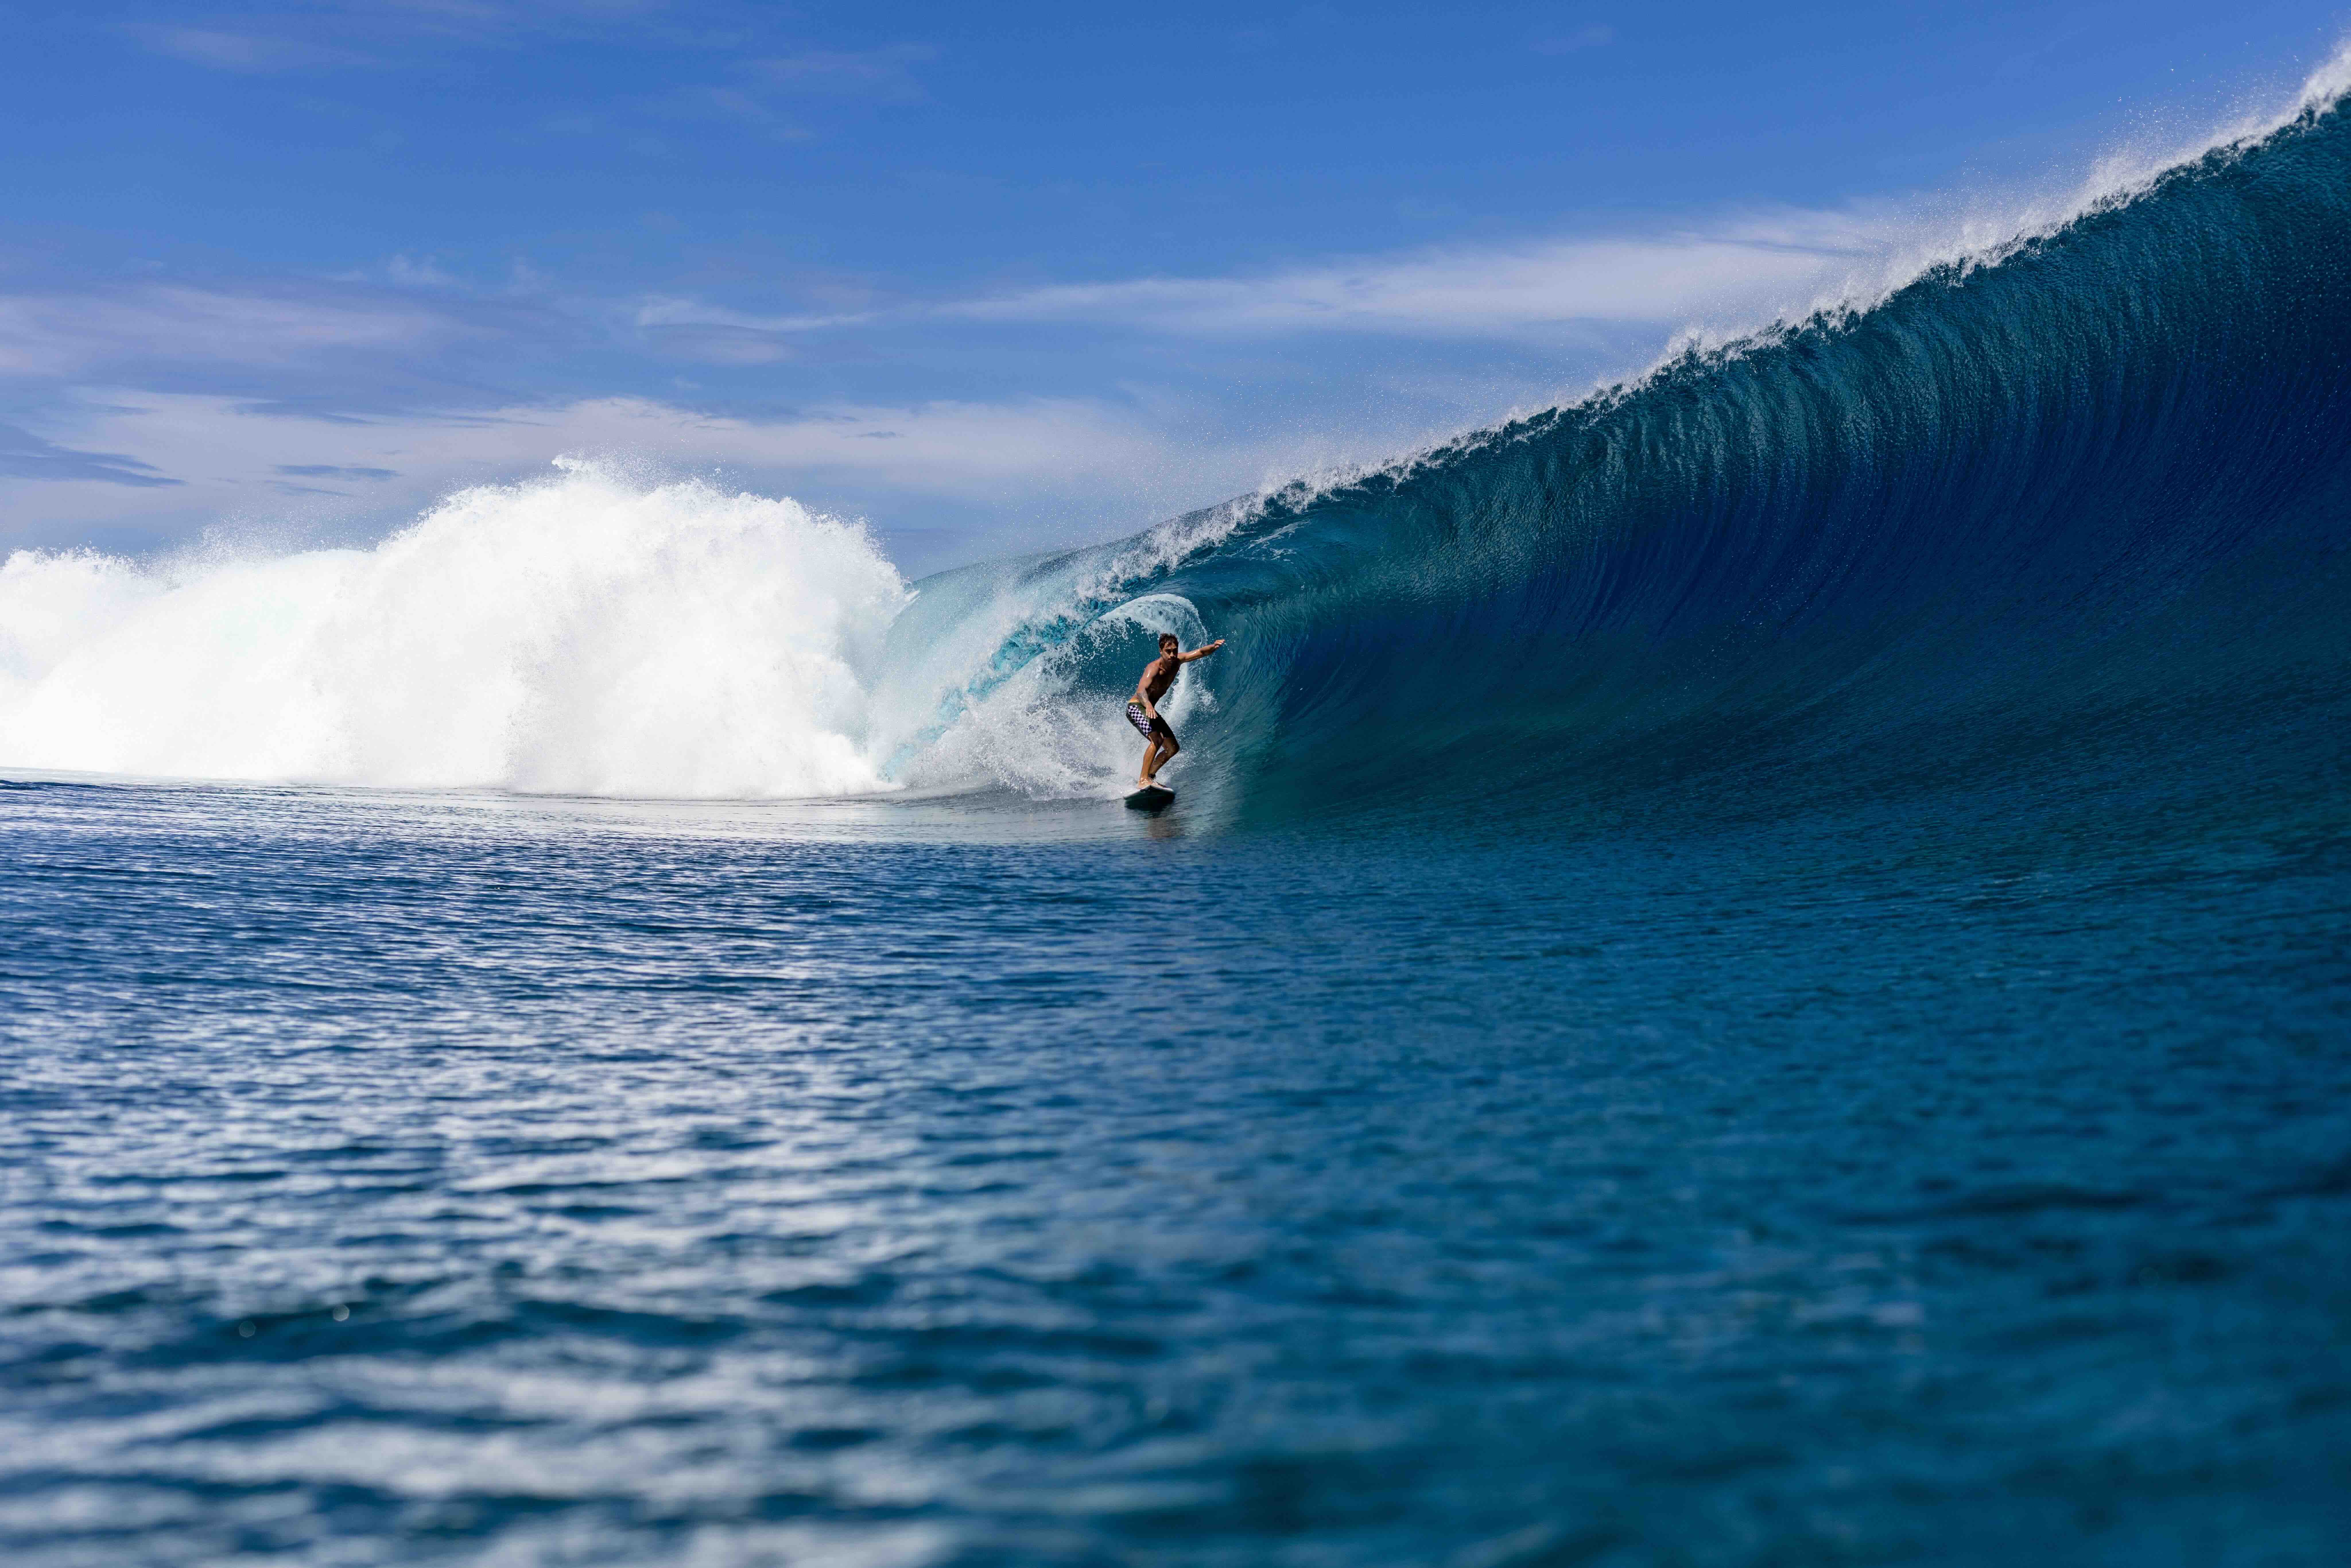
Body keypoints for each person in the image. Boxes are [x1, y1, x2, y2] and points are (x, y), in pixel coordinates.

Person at [1125, 632, 1224, 788]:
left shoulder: (1178, 662)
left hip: (1149, 710)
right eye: (1168, 652)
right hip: (1137, 708)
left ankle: (1150, 776)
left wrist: (1213, 647)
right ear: (1161, 651)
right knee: (1157, 740)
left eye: (1175, 651)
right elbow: (1141, 691)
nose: (1172, 655)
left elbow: (1200, 653)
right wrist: (1149, 705)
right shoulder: (1153, 669)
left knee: (1172, 749)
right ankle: (1143, 779)